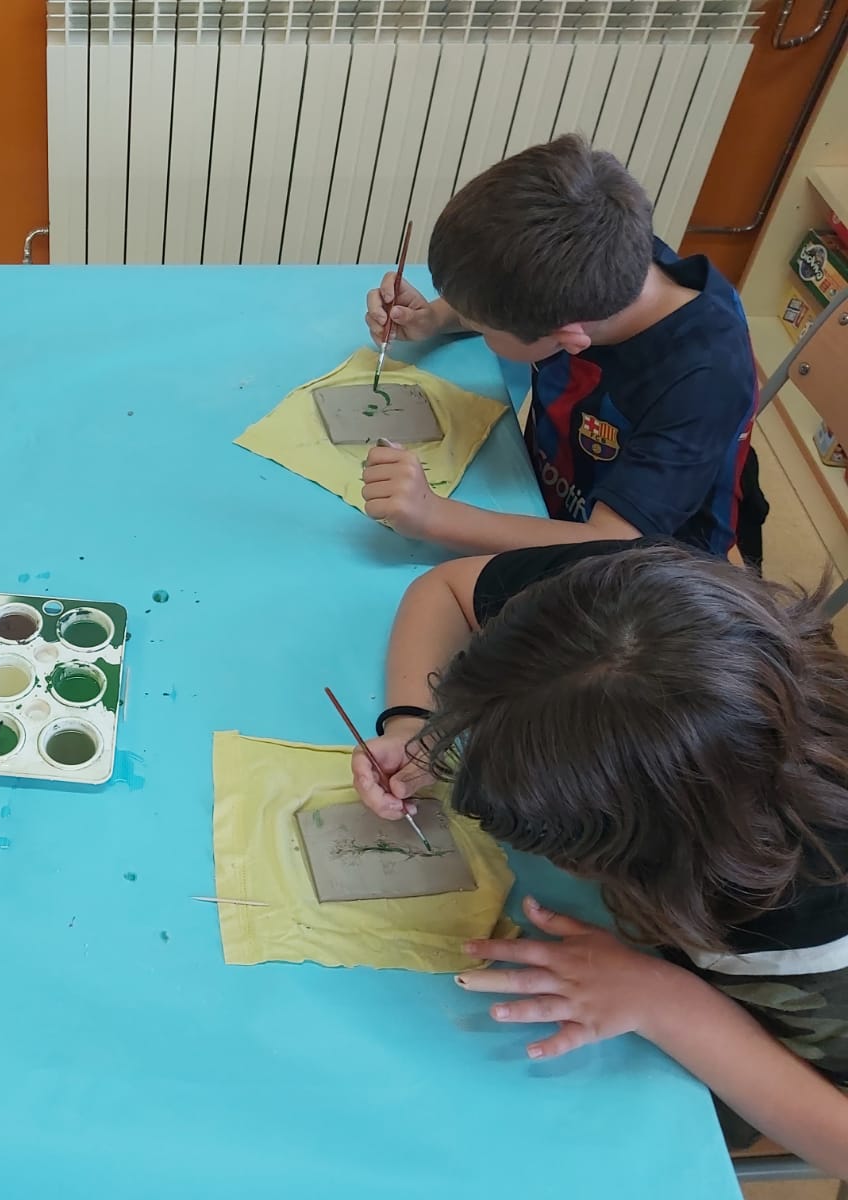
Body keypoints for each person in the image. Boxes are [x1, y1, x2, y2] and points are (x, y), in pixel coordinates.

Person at [351, 540, 848, 1175]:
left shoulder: (811, 913)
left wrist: (667, 1003)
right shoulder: (626, 609)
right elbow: (445, 591)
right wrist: (416, 728)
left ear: (641, 856)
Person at [360, 135, 766, 564]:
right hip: (544, 494)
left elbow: (613, 542)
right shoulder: (604, 255)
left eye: (480, 324)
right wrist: (435, 319)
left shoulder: (705, 380)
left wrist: (432, 516)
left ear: (569, 339)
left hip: (642, 570)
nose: (468, 321)